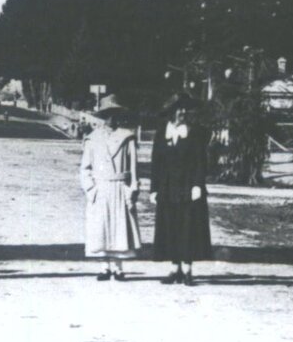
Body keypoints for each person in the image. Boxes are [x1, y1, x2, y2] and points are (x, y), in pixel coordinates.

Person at [150, 93, 214, 284]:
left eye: (185, 109)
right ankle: (174, 268)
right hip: (168, 187)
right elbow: (156, 163)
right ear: (171, 112)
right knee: (170, 227)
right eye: (178, 109)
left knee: (188, 228)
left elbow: (200, 162)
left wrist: (197, 185)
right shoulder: (162, 132)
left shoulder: (195, 132)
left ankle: (187, 270)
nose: (182, 112)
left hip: (188, 187)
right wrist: (154, 188)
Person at [80, 95, 141, 280]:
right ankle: (104, 267)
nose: (111, 119)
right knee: (101, 227)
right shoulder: (92, 138)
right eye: (107, 115)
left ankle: (118, 267)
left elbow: (133, 168)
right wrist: (91, 189)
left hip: (119, 186)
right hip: (101, 187)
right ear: (101, 116)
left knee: (120, 227)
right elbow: (85, 168)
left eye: (114, 115)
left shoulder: (127, 137)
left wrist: (132, 189)